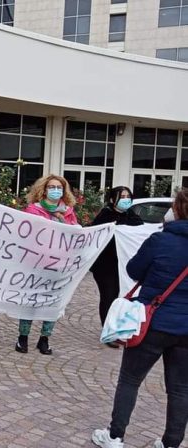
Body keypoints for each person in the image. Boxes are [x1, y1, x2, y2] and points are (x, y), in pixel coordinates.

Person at [92, 188, 188, 448]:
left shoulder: (160, 240)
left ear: (177, 211)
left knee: (130, 380)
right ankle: (171, 442)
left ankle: (114, 436)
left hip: (153, 322)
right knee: (180, 389)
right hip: (185, 329)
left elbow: (134, 270)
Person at [17, 174, 78, 355]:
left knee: (54, 302)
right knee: (30, 301)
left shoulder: (68, 211)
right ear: (43, 190)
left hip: (59, 265)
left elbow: (74, 234)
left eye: (59, 187)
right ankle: (23, 337)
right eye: (52, 187)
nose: (55, 190)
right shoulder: (33, 210)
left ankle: (45, 338)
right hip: (35, 264)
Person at [90, 186, 144, 348]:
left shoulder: (132, 216)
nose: (126, 199)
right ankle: (108, 332)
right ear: (113, 199)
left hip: (124, 265)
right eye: (122, 196)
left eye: (128, 196)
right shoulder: (105, 216)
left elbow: (139, 231)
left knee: (122, 297)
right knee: (109, 296)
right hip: (106, 266)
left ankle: (120, 329)